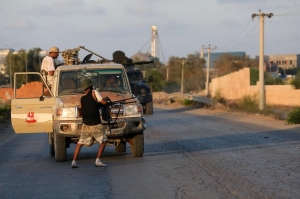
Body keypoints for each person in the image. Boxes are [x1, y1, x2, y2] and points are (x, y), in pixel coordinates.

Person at [71, 79, 111, 168]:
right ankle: (98, 160)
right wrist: (106, 100)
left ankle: (74, 161)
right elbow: (103, 102)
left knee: (80, 143)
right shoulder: (94, 92)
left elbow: (80, 113)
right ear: (90, 87)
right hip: (96, 124)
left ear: (85, 88)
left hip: (86, 124)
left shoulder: (82, 98)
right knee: (103, 141)